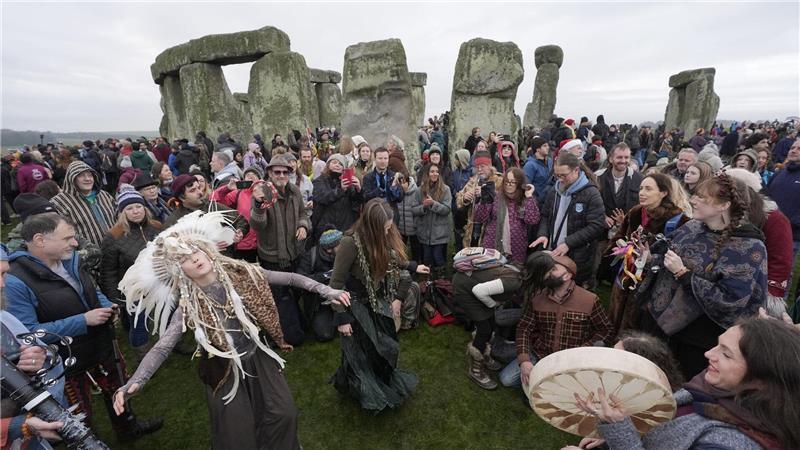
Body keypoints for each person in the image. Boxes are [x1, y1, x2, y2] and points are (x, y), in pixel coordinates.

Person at [112, 211, 349, 449]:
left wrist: (327, 291)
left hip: (258, 358)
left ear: (206, 249)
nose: (194, 259)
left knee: (283, 415)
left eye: (195, 251)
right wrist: (137, 381)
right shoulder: (188, 305)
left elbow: (289, 278)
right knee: (237, 436)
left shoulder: (241, 274)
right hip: (222, 370)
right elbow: (163, 346)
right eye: (184, 259)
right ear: (179, 271)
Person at [4, 213, 162, 441]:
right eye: (67, 238)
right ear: (40, 240)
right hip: (66, 364)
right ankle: (87, 443)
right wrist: (83, 321)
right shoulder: (15, 280)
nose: (75, 243)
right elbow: (27, 332)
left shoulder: (70, 258)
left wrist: (107, 306)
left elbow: (90, 289)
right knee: (78, 414)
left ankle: (128, 427)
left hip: (101, 346)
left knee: (118, 390)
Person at [572, 318, 800, 450]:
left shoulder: (729, 445)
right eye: (718, 344)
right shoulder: (716, 388)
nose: (709, 353)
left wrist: (620, 431)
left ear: (761, 378)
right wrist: (615, 431)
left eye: (727, 354)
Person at [636, 173, 767, 379]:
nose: (692, 200)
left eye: (702, 198)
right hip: (659, 324)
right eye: (694, 195)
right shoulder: (692, 227)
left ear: (724, 205)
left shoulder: (748, 248)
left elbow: (731, 300)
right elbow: (664, 254)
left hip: (698, 339)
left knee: (681, 387)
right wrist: (647, 257)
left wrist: (683, 273)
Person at [328, 198, 429, 412]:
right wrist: (342, 318)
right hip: (355, 306)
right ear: (373, 225)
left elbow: (390, 258)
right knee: (361, 353)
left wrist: (413, 265)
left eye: (389, 227)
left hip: (376, 301)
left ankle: (378, 381)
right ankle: (364, 391)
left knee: (387, 346)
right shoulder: (349, 244)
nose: (388, 231)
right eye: (385, 228)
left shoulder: (379, 238)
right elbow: (335, 283)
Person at [501, 252, 613, 388]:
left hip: (573, 361)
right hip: (540, 355)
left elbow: (606, 330)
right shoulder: (537, 297)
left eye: (553, 269)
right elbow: (524, 328)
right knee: (506, 379)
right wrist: (524, 360)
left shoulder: (590, 300)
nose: (548, 272)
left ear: (567, 276)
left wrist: (583, 351)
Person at [608, 173, 690, 334]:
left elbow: (681, 256)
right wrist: (621, 244)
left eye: (648, 189)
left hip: (651, 285)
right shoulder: (636, 212)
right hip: (626, 277)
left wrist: (652, 259)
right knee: (616, 318)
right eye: (640, 188)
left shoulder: (679, 220)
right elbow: (619, 236)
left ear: (663, 193)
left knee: (636, 327)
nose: (642, 193)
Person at [250, 154, 310, 346]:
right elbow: (257, 225)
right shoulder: (263, 193)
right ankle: (285, 335)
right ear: (269, 172)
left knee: (294, 293)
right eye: (277, 172)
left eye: (285, 172)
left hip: (294, 253)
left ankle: (296, 326)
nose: (282, 175)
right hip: (272, 257)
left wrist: (303, 226)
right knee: (280, 298)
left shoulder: (295, 192)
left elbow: (303, 214)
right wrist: (258, 206)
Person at [99, 186, 162, 356]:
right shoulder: (113, 236)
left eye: (138, 206)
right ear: (122, 213)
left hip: (157, 284)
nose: (135, 211)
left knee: (165, 315)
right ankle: (143, 354)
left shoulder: (156, 227)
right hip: (132, 289)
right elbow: (108, 270)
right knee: (138, 323)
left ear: (145, 208)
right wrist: (114, 298)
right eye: (129, 208)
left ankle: (171, 343)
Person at [531, 153, 605, 287]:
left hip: (578, 255)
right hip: (554, 250)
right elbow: (545, 215)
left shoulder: (591, 194)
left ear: (576, 170)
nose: (560, 179)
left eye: (563, 175)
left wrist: (568, 243)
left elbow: (596, 226)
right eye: (557, 175)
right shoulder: (555, 190)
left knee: (570, 289)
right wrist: (543, 234)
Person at [454, 264, 524, 390]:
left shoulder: (518, 274)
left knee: (490, 323)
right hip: (465, 290)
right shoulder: (515, 282)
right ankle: (475, 370)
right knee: (484, 329)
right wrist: (493, 304)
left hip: (474, 286)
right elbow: (478, 291)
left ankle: (485, 356)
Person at [473, 168, 540, 265]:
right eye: (506, 182)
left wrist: (529, 196)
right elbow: (479, 217)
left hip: (516, 248)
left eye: (512, 182)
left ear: (519, 183)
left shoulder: (526, 199)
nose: (508, 185)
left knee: (512, 276)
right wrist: (484, 199)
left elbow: (532, 220)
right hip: (492, 245)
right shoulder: (496, 197)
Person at [49, 160, 116, 249]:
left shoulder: (104, 195)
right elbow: (61, 233)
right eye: (81, 175)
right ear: (71, 178)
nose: (87, 179)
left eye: (90, 175)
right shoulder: (60, 202)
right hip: (87, 256)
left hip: (115, 251)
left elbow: (118, 219)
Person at [296, 228, 343, 342]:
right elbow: (300, 279)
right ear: (329, 249)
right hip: (320, 302)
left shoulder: (345, 254)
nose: (343, 246)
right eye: (339, 244)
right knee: (324, 335)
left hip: (343, 297)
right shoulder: (311, 256)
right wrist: (325, 276)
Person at [456, 148, 504, 248]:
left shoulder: (499, 180)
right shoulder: (473, 181)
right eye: (477, 167)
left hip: (491, 230)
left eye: (483, 166)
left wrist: (487, 194)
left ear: (490, 166)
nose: (480, 169)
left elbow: (505, 203)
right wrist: (464, 198)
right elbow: (459, 198)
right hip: (472, 229)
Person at [412, 164, 452, 278]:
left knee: (438, 257)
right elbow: (414, 210)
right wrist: (423, 207)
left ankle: (441, 281)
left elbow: (447, 209)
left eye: (437, 171)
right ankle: (427, 283)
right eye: (432, 171)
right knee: (427, 258)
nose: (435, 174)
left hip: (439, 233)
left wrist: (433, 204)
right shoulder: (419, 190)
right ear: (427, 174)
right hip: (424, 232)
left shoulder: (445, 189)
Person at [311, 154, 363, 242]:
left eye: (340, 164)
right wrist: (341, 190)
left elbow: (357, 202)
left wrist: (358, 189)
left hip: (345, 226)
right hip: (325, 226)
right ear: (328, 165)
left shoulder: (347, 181)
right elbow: (323, 198)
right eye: (334, 162)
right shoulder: (319, 181)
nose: (337, 165)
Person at [449, 149, 473, 253]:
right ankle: (458, 253)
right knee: (457, 233)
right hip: (456, 209)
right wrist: (456, 193)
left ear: (462, 160)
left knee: (467, 234)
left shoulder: (471, 174)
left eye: (456, 158)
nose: (454, 161)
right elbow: (452, 186)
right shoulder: (454, 173)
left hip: (468, 210)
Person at [523, 137, 553, 205]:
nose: (548, 147)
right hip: (537, 202)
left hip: (548, 200)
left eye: (547, 145)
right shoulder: (530, 165)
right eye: (544, 146)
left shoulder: (550, 161)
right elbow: (527, 185)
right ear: (538, 149)